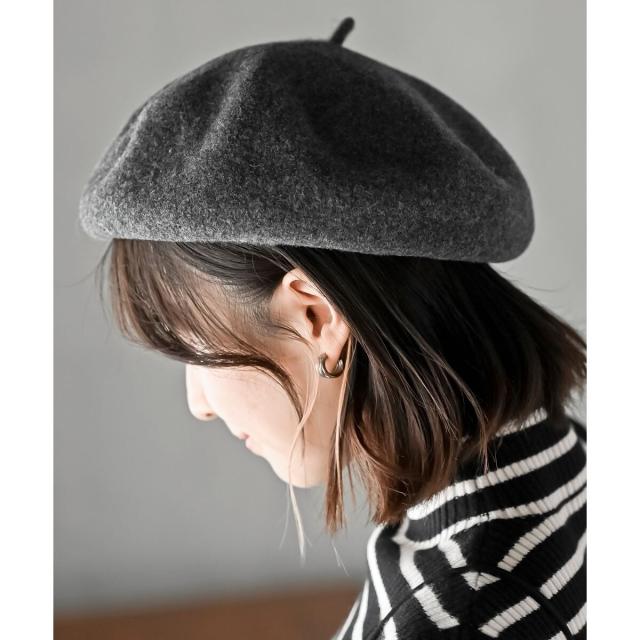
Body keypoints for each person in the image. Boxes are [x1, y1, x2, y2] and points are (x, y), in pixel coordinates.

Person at [79, 17, 586, 640]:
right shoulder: (563, 467)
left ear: (316, 316)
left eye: (196, 348)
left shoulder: (464, 611)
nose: (199, 403)